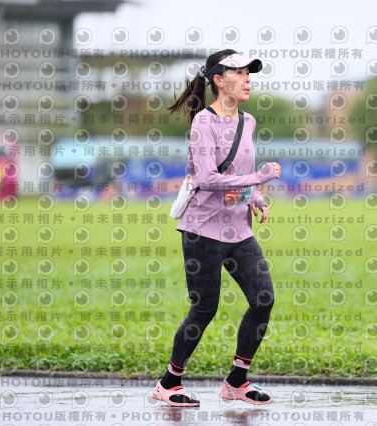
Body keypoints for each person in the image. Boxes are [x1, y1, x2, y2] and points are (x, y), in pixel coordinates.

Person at [150, 49, 282, 407]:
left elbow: (238, 172)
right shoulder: (203, 124)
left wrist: (255, 196)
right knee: (205, 307)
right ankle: (169, 382)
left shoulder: (248, 121)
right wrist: (259, 178)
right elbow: (208, 179)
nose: (247, 79)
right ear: (219, 81)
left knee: (263, 299)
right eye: (239, 72)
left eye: (249, 73)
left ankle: (237, 381)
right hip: (203, 231)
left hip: (238, 230)